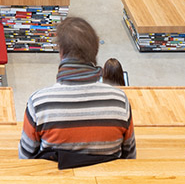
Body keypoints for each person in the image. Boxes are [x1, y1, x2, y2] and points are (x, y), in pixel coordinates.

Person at [19, 17, 134, 164]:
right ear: (95, 51)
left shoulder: (39, 103)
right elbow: (130, 158)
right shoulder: (120, 101)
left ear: (61, 53)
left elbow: (25, 159)